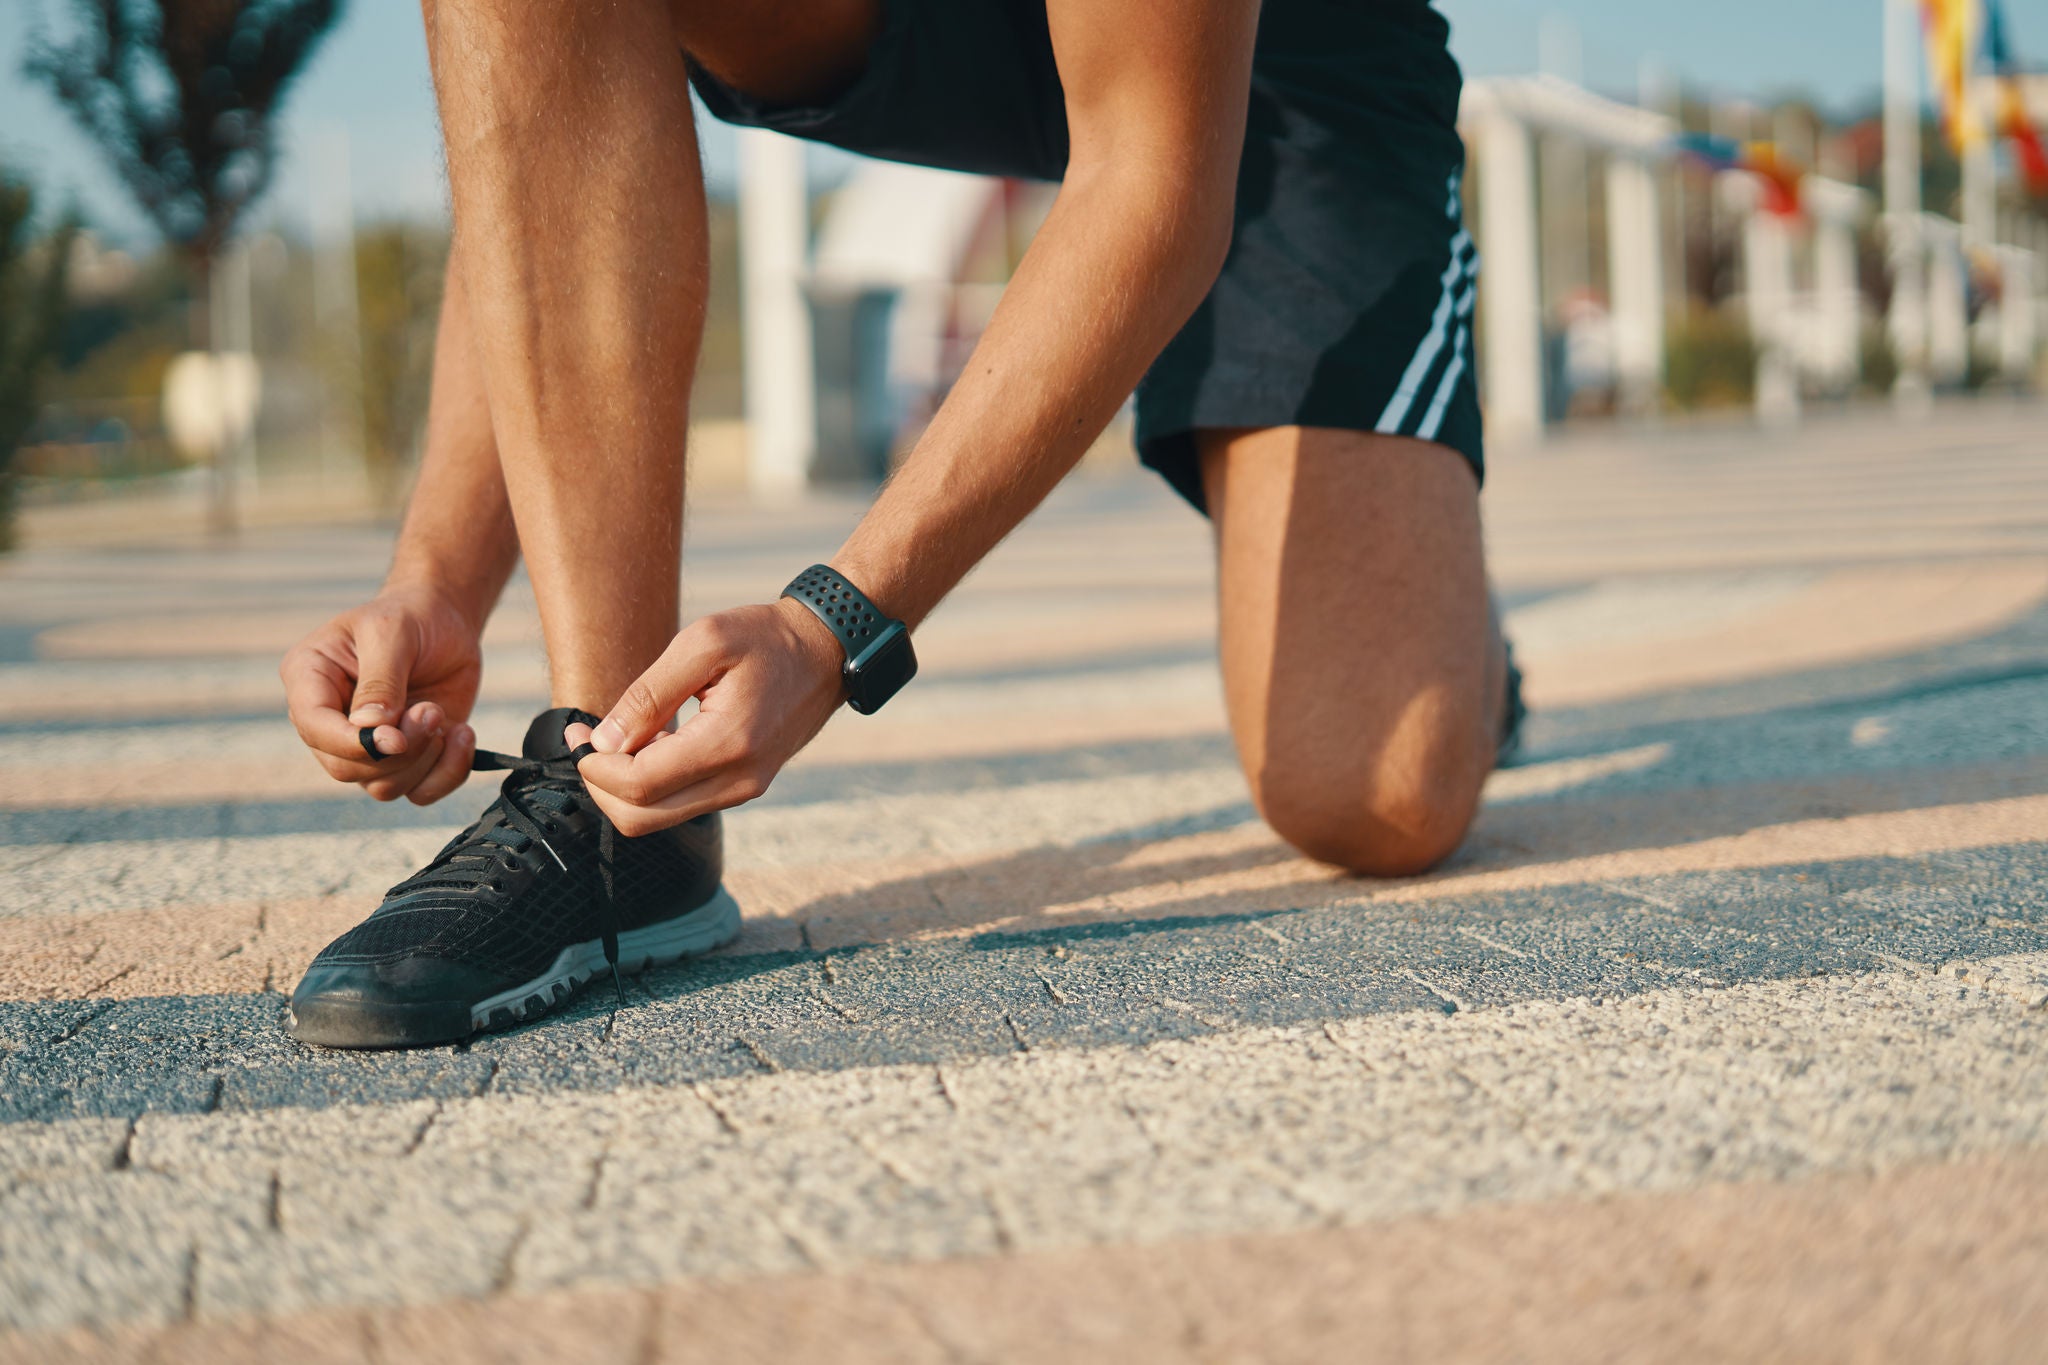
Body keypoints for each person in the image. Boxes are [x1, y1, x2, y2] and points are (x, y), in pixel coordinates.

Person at [279, 0, 1520, 1049]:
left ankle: (1443, 590)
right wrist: (437, 572)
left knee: (1370, 797)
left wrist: (834, 621)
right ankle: (612, 800)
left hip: (1279, 80)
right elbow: (538, 168)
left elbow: (1151, 170)